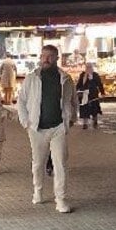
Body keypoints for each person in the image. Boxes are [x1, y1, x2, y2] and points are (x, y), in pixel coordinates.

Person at [17, 44, 77, 213]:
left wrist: (72, 118)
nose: (46, 59)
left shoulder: (65, 79)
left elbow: (73, 100)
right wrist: (26, 122)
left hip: (59, 127)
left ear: (57, 58)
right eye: (43, 56)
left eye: (50, 56)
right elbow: (21, 101)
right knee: (38, 163)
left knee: (60, 163)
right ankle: (38, 190)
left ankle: (61, 199)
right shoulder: (32, 78)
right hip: (37, 128)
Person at [76, 62, 105, 128]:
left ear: (92, 68)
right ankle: (85, 123)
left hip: (93, 94)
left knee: (94, 108)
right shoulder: (83, 75)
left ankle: (95, 121)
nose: (88, 68)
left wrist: (102, 93)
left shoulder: (95, 75)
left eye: (89, 67)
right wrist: (76, 90)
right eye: (87, 67)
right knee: (84, 108)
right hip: (84, 94)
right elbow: (79, 84)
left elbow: (99, 84)